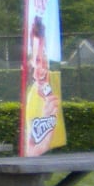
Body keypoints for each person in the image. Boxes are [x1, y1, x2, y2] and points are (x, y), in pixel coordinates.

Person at [21, 16, 66, 156]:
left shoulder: (58, 79)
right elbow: (31, 150)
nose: (42, 66)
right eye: (37, 60)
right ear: (31, 62)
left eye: (44, 57)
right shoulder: (31, 100)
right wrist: (43, 142)